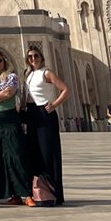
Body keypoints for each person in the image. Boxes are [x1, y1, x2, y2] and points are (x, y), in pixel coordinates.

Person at [0, 52, 33, 206]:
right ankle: (13, 195)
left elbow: (9, 93)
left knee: (16, 155)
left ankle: (27, 194)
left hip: (10, 119)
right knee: (1, 158)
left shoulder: (11, 77)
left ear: (5, 62)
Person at [24, 45, 69, 206]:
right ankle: (40, 192)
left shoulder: (46, 72)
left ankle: (53, 193)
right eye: (30, 57)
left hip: (44, 115)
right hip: (31, 114)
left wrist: (54, 105)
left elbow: (65, 89)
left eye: (36, 56)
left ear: (41, 57)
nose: (33, 59)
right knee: (35, 152)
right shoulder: (28, 74)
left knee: (48, 153)